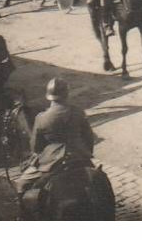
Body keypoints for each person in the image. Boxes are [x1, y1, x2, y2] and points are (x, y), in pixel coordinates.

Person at [16, 77, 97, 209]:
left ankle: (25, 217)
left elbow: (36, 147)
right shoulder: (78, 112)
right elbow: (88, 137)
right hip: (79, 157)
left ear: (49, 97)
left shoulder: (42, 118)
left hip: (51, 162)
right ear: (67, 94)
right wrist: (86, 154)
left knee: (22, 184)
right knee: (98, 180)